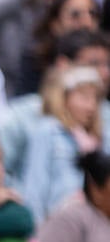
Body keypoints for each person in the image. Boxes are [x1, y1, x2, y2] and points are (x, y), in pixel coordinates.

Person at [0, 28, 110, 186]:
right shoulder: (21, 115)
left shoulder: (107, 114)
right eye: (94, 64)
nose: (105, 73)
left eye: (107, 64)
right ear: (63, 64)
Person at [22, 67, 106, 223]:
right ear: (64, 97)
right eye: (84, 97)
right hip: (58, 221)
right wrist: (36, 232)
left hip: (95, 225)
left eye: (95, 99)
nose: (91, 106)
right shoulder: (48, 130)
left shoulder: (100, 138)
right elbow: (35, 185)